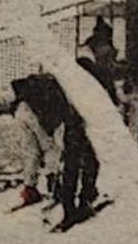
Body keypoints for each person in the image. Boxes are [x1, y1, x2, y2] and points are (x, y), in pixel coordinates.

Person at [12, 71, 100, 228]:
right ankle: (81, 199)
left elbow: (37, 149)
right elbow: (49, 143)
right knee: (81, 160)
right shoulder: (63, 91)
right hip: (67, 118)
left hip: (54, 117)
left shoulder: (27, 106)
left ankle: (68, 199)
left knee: (67, 160)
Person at [10, 75, 64, 209]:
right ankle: (54, 183)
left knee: (30, 153)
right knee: (50, 148)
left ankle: (29, 188)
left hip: (21, 110)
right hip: (33, 113)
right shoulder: (56, 88)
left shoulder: (41, 84)